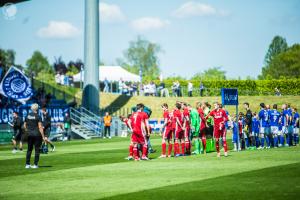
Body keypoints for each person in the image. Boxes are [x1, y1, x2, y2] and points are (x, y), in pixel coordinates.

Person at [24, 103, 45, 169]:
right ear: (37, 108)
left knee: (29, 149)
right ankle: (35, 164)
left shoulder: (27, 115)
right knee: (37, 150)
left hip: (29, 135)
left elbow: (24, 125)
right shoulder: (38, 116)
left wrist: (28, 131)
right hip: (37, 135)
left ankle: (27, 164)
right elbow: (40, 127)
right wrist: (43, 136)